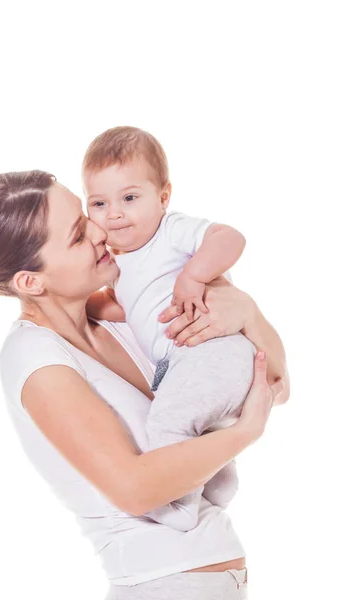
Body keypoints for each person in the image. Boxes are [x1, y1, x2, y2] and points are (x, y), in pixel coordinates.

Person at [0, 170, 289, 599]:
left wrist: (249, 314)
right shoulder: (32, 357)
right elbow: (135, 489)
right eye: (78, 235)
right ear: (31, 281)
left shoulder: (124, 317)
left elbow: (274, 385)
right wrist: (246, 432)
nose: (102, 230)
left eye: (88, 217)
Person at [83, 126, 257, 531]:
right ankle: (218, 485)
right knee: (198, 430)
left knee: (166, 426)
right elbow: (123, 307)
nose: (114, 213)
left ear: (163, 196)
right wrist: (78, 304)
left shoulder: (170, 231)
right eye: (98, 202)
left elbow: (229, 237)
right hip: (189, 364)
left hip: (211, 352)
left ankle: (177, 505)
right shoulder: (120, 262)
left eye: (129, 198)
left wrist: (194, 276)